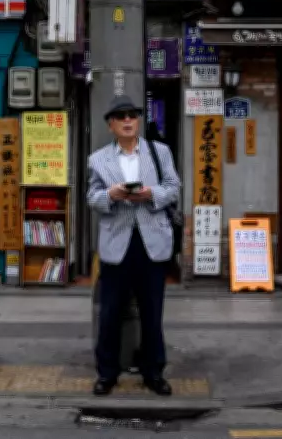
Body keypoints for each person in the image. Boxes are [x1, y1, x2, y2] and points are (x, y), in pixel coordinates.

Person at [87, 94, 180, 397]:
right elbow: (93, 198)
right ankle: (107, 373)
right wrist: (112, 195)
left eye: (133, 115)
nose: (128, 121)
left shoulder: (159, 151)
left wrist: (151, 194)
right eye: (121, 116)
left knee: (152, 312)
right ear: (111, 125)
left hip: (152, 242)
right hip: (117, 244)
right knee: (111, 312)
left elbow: (174, 188)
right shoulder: (98, 159)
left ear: (138, 122)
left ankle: (154, 372)